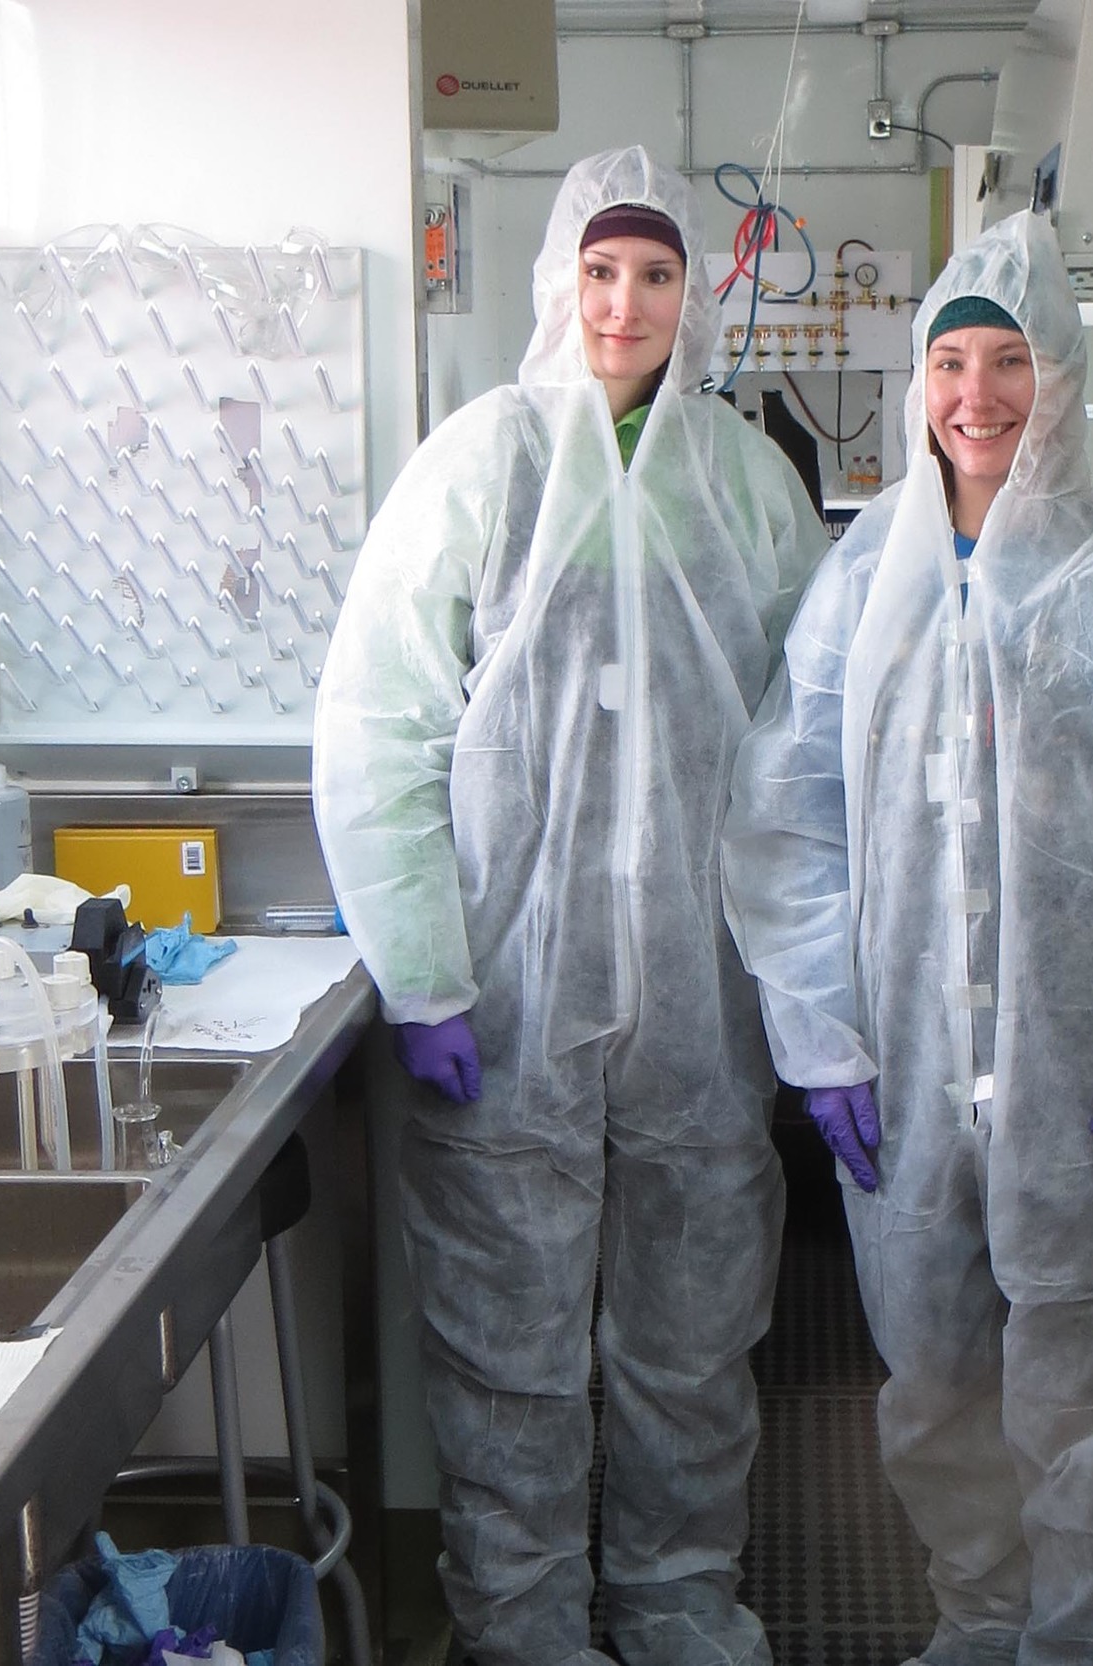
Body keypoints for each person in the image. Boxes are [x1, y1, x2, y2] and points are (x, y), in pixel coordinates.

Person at [722, 210, 1093, 1665]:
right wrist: (821, 1031)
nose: (978, 396)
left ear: (1064, 378)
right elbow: (788, 822)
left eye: (1011, 360)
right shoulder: (861, 588)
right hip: (912, 1098)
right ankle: (979, 1636)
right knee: (944, 1404)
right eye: (951, 363)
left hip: (1092, 1098)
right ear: (919, 385)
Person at [312, 146, 828, 1666]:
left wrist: (805, 981)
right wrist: (420, 969)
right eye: (602, 271)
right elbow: (379, 721)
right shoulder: (483, 465)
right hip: (509, 983)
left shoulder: (743, 480)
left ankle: (675, 1600)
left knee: (695, 1322)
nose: (626, 301)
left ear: (692, 297)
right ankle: (525, 1623)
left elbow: (811, 740)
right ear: (560, 282)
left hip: (700, 989)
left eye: (656, 273)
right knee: (506, 1339)